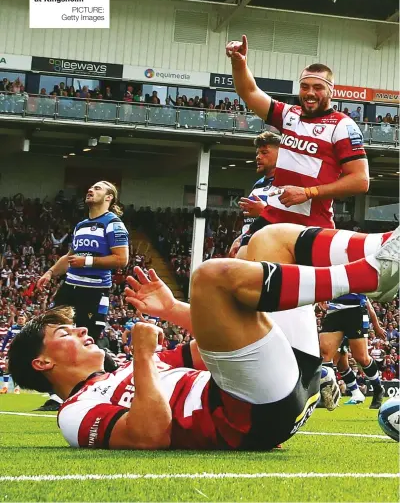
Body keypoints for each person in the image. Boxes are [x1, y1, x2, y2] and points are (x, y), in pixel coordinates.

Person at [8, 224, 399, 450]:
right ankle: (368, 277)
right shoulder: (73, 413)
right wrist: (144, 358)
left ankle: (386, 247)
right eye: (63, 332)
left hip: (282, 383)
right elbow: (149, 435)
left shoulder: (128, 369)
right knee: (210, 277)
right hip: (250, 416)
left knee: (266, 240)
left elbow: (216, 343)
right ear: (42, 363)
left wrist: (172, 311)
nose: (79, 330)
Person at [226, 35, 369, 231]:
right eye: (304, 86)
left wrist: (308, 192)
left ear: (331, 91)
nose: (310, 93)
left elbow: (360, 181)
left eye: (318, 87)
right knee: (234, 259)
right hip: (272, 219)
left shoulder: (342, 125)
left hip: (311, 227)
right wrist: (239, 63)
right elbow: (249, 92)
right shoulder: (288, 114)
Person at [35, 181, 129, 410]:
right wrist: (49, 273)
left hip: (94, 291)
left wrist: (87, 261)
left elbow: (121, 259)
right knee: (54, 333)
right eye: (90, 187)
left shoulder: (113, 225)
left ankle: (108, 381)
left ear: (109, 198)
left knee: (88, 339)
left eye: (98, 188)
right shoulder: (81, 225)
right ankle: (58, 392)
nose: (91, 190)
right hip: (70, 287)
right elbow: (69, 256)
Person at [319, 296, 386, 408]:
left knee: (361, 358)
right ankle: (328, 396)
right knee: (325, 354)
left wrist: (376, 326)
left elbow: (368, 303)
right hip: (334, 310)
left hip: (355, 310)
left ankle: (378, 389)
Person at [238, 131, 281, 235]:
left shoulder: (289, 184)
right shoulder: (258, 185)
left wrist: (264, 212)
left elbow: (297, 226)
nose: (258, 157)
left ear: (281, 155)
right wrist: (240, 239)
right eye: (257, 153)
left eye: (264, 153)